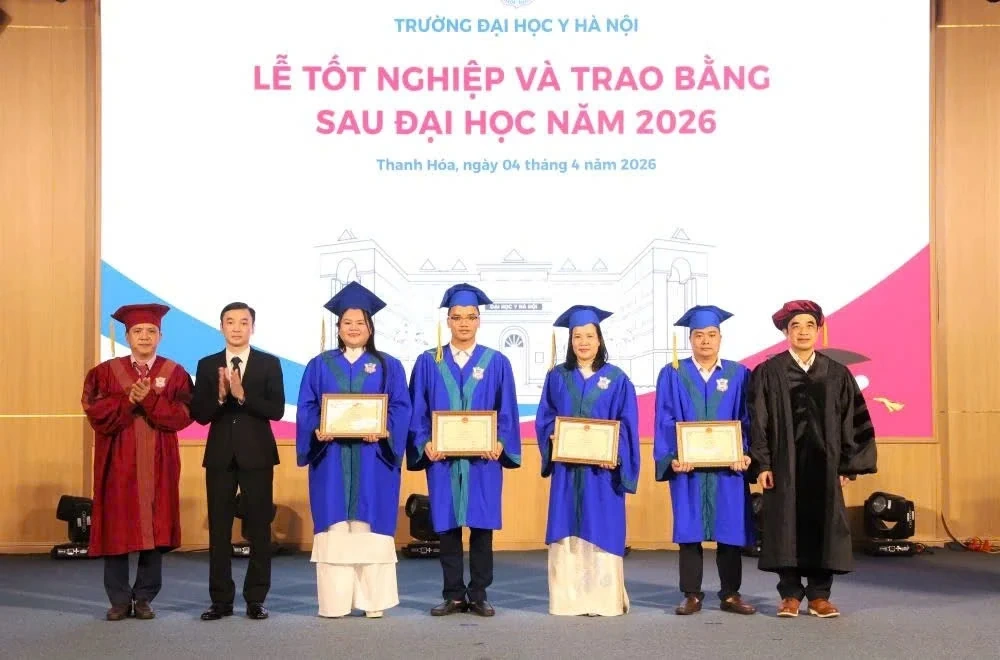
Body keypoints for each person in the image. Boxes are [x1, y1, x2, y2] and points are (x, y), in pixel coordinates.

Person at [749, 300, 877, 618]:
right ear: (785, 332)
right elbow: (758, 421)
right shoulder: (769, 372)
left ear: (818, 330)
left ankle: (820, 595)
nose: (803, 332)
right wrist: (762, 463)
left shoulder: (836, 373)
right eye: (795, 326)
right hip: (784, 466)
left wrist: (847, 464)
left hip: (826, 465)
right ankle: (790, 594)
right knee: (785, 526)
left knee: (825, 526)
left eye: (809, 325)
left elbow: (851, 419)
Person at [295, 282, 412, 619]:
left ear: (370, 327)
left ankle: (372, 602)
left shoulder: (389, 365)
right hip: (331, 458)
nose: (354, 328)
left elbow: (401, 407)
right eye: (347, 322)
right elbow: (307, 406)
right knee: (336, 528)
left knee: (369, 527)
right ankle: (335, 603)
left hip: (374, 460)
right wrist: (317, 430)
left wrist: (385, 430)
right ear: (338, 327)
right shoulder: (319, 365)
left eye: (360, 322)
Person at [407, 283, 521, 617]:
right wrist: (424, 443)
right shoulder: (428, 362)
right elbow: (417, 410)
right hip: (442, 460)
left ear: (479, 321)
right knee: (447, 526)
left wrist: (500, 442)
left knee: (482, 527)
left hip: (483, 462)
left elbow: (507, 411)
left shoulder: (497, 362)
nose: (464, 323)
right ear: (448, 321)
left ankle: (480, 593)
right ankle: (454, 594)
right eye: (457, 317)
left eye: (470, 317)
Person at [81, 303, 193, 621]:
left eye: (151, 331)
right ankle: (118, 600)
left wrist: (150, 399)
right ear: (127, 337)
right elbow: (94, 410)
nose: (145, 336)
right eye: (138, 331)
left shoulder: (175, 373)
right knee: (116, 527)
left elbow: (184, 415)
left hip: (159, 463)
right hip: (118, 463)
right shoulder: (105, 373)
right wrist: (127, 400)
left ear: (161, 336)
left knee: (154, 529)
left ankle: (144, 598)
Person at [535, 305, 640, 617]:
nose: (583, 342)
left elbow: (628, 425)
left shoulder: (617, 379)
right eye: (577, 336)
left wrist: (616, 455)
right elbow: (545, 418)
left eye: (589, 336)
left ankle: (603, 600)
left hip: (602, 475)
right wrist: (553, 436)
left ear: (599, 340)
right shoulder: (557, 377)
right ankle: (568, 600)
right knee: (567, 527)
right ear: (570, 341)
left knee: (602, 526)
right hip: (568, 473)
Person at [653, 305, 756, 616]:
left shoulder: (739, 374)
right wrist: (672, 457)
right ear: (690, 339)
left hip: (729, 469)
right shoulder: (673, 373)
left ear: (721, 338)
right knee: (689, 530)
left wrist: (745, 453)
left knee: (730, 530)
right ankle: (691, 594)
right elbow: (665, 419)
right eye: (699, 335)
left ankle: (731, 594)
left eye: (712, 334)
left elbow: (748, 419)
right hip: (689, 469)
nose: (706, 341)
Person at [190, 302, 285, 621]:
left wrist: (243, 395)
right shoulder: (207, 365)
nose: (236, 328)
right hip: (220, 456)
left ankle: (256, 599)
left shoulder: (269, 363)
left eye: (243, 322)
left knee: (259, 529)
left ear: (252, 327)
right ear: (221, 327)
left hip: (257, 455)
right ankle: (220, 601)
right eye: (230, 322)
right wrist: (220, 398)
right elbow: (199, 414)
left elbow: (277, 410)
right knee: (219, 530)